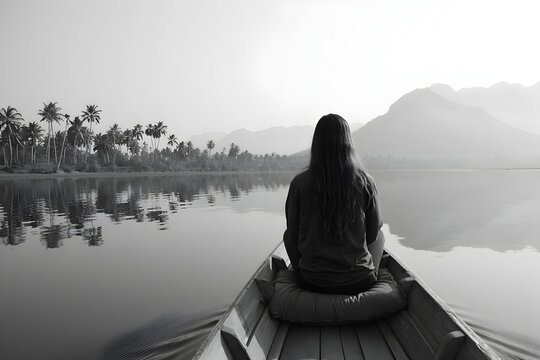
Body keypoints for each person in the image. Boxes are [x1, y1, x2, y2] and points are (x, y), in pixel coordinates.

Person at [284, 113, 384, 295]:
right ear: (348, 144)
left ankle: (300, 273)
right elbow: (372, 235)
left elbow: (292, 234)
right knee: (381, 235)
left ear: (317, 144)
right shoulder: (365, 182)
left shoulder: (299, 183)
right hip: (360, 281)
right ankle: (372, 275)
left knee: (286, 236)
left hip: (312, 281)